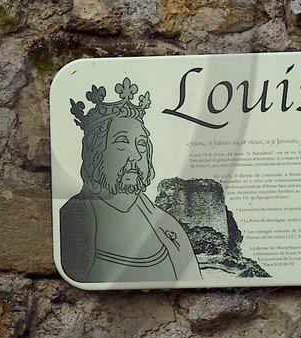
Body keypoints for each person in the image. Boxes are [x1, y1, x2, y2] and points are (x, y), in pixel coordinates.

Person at [58, 77, 201, 287]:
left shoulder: (166, 226)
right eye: (122, 143)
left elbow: (191, 282)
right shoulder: (73, 220)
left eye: (141, 144)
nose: (135, 156)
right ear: (95, 155)